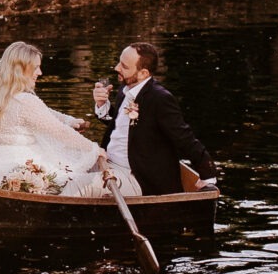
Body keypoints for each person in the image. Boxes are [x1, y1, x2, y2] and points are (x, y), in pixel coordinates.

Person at [0, 41, 137, 196]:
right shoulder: (25, 101)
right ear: (21, 70)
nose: (40, 73)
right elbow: (59, 132)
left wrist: (69, 121)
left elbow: (44, 113)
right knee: (74, 173)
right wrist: (93, 149)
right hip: (12, 176)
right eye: (36, 68)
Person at [92, 39, 217, 195]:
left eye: (124, 66)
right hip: (107, 164)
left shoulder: (160, 99)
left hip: (137, 176)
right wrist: (102, 104)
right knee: (62, 174)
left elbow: (184, 138)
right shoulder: (126, 88)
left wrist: (208, 174)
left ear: (143, 73)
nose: (117, 68)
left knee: (75, 187)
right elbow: (119, 125)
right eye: (119, 62)